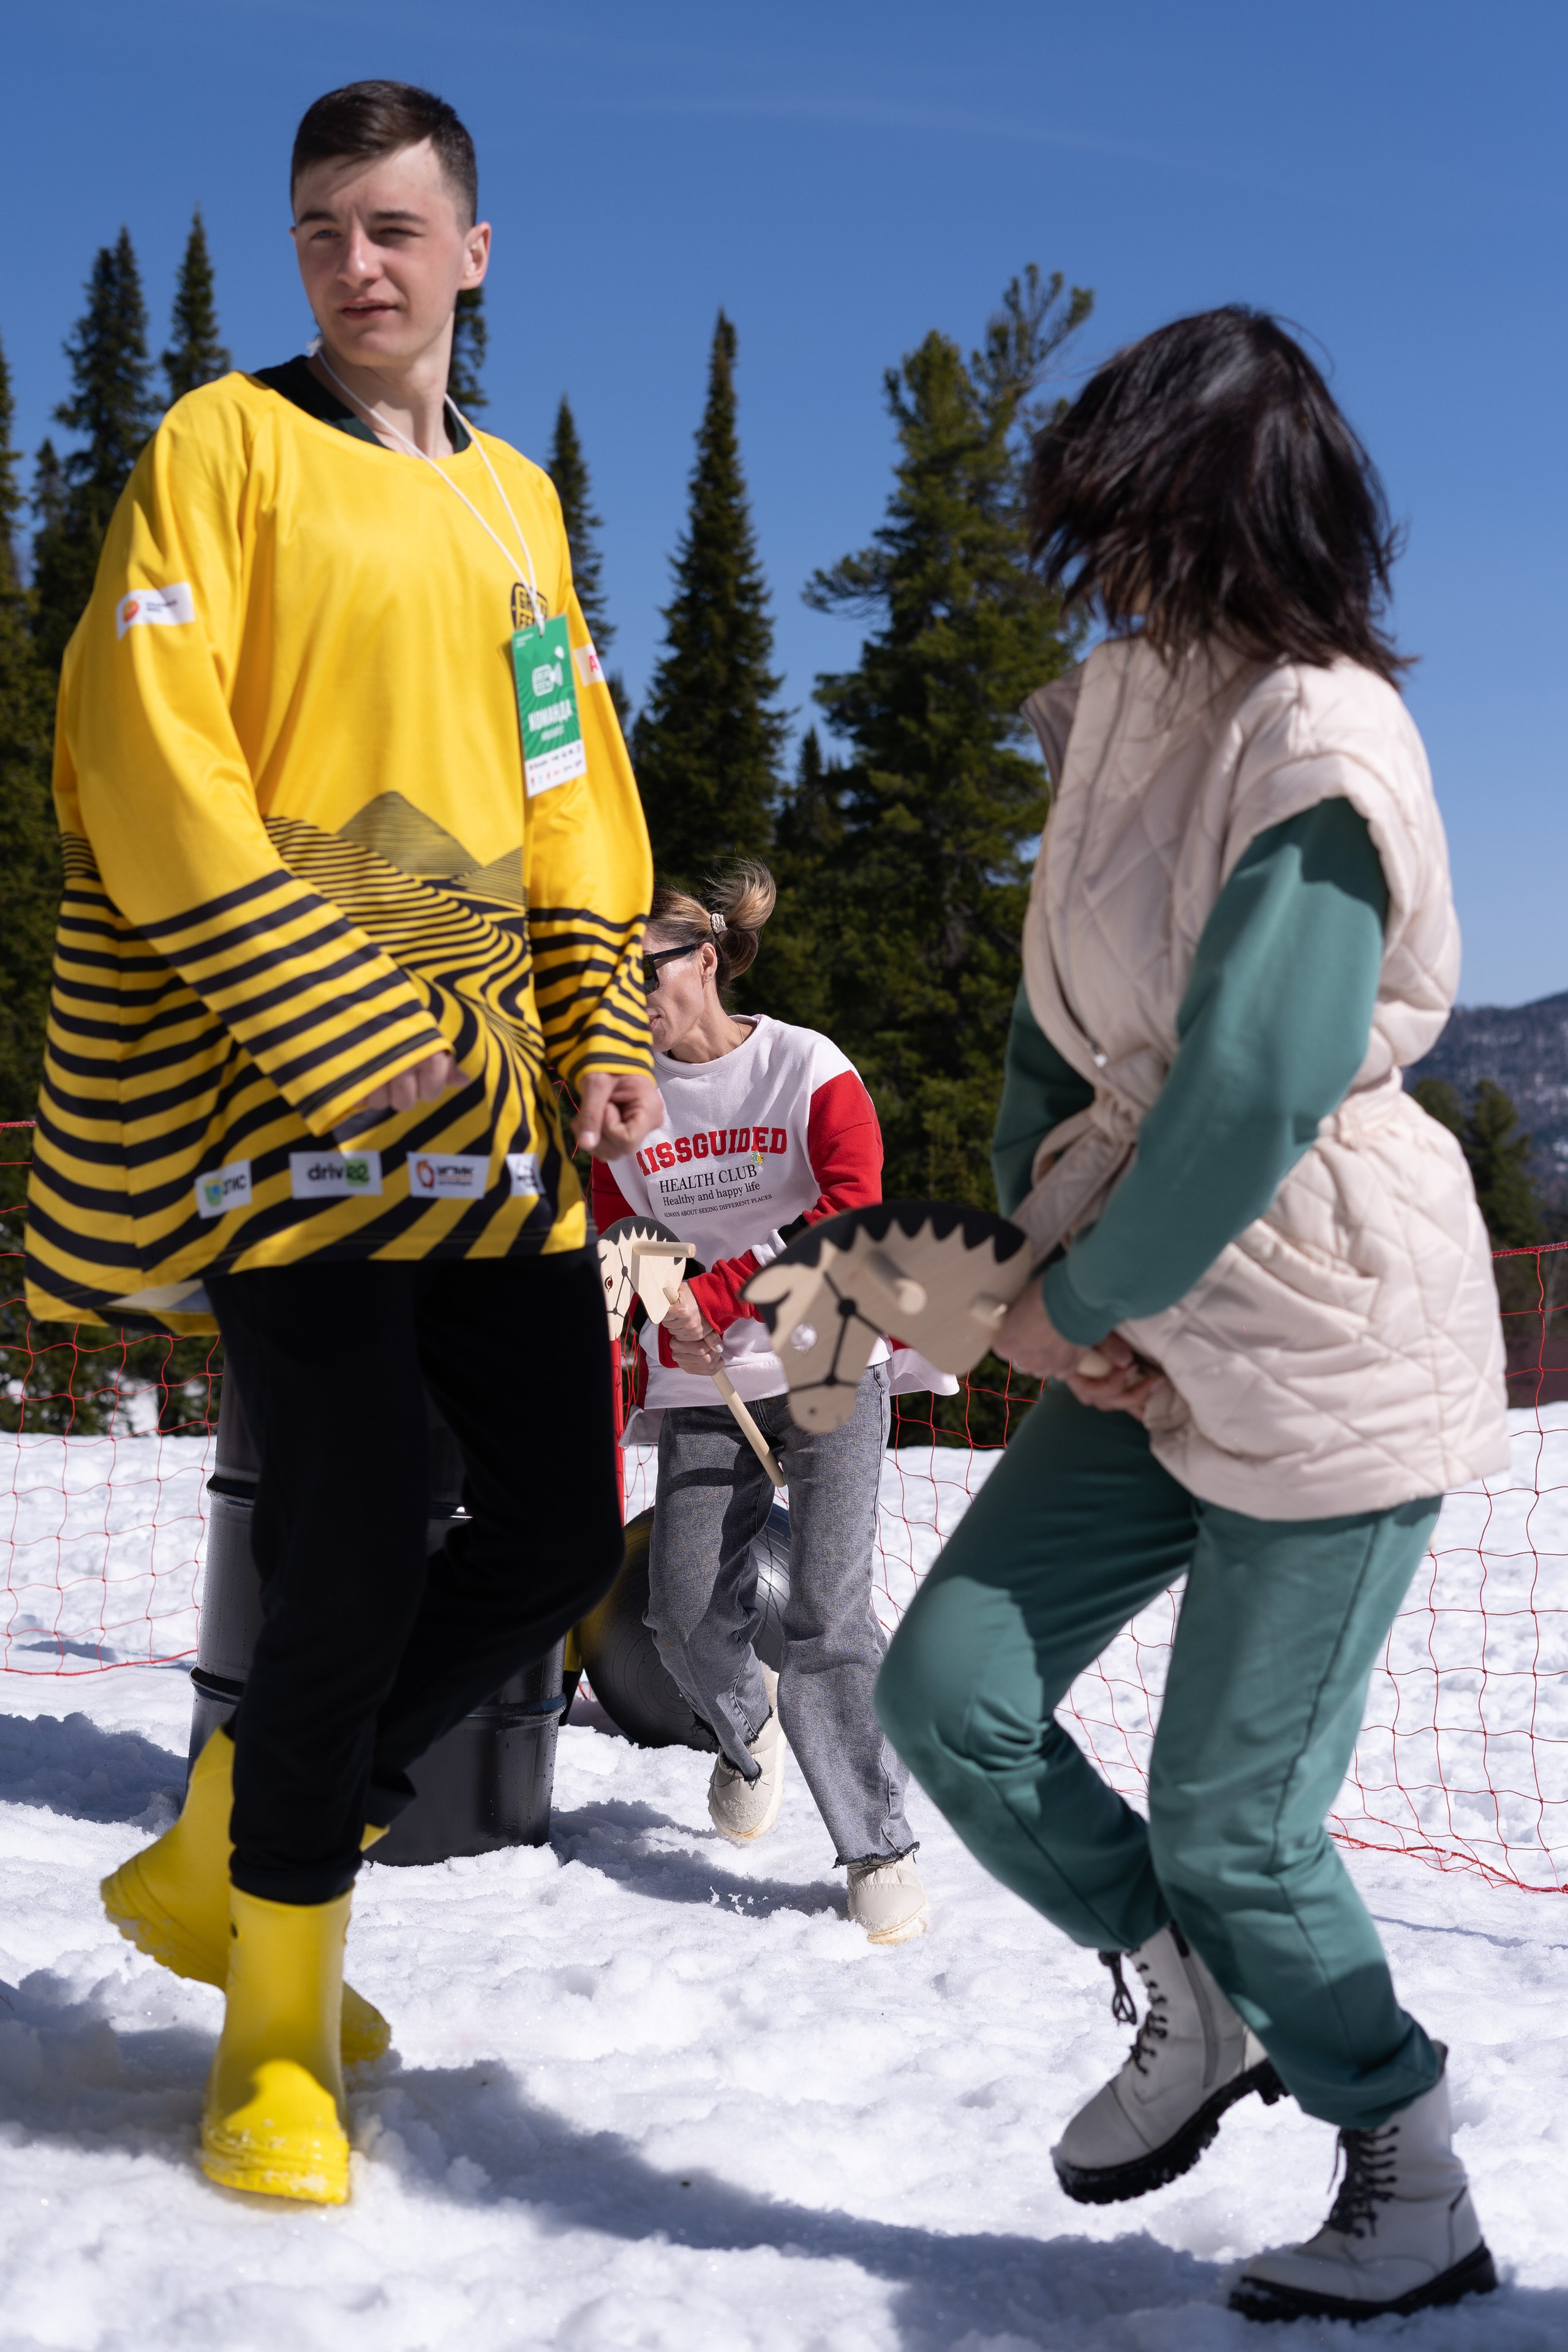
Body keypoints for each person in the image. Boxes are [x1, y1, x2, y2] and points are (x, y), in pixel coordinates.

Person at [27, 81, 661, 2205]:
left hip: (488, 1109)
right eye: (321, 232)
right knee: (355, 1532)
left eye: (393, 229)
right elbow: (148, 741)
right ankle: (277, 2030)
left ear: (473, 252)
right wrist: (323, 1005)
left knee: (564, 1529)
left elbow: (569, 784)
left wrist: (596, 1026)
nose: (353, 265)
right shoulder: (222, 445)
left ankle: (234, 1841)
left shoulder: (518, 509)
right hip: (288, 1100)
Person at [875, 309, 1509, 2323]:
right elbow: (1054, 1034)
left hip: (1320, 1323)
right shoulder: (1129, 701)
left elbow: (1253, 1083)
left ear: (1234, 499)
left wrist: (1079, 1300)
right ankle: (1199, 1998)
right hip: (1130, 1318)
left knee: (1246, 1824)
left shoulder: (1323, 736)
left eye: (1140, 511)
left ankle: (1404, 2167)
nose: (1112, 555)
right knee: (950, 1692)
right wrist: (1038, 1288)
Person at [592, 864, 930, 1945]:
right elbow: (617, 1243)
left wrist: (719, 1289)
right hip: (707, 1385)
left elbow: (852, 1214)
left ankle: (875, 1848)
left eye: (647, 965)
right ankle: (748, 1733)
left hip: (829, 1360)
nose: (632, 988)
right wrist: (643, 1302)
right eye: (614, 973)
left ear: (704, 958)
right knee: (682, 1615)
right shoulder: (628, 1100)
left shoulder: (806, 1066)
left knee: (828, 1613)